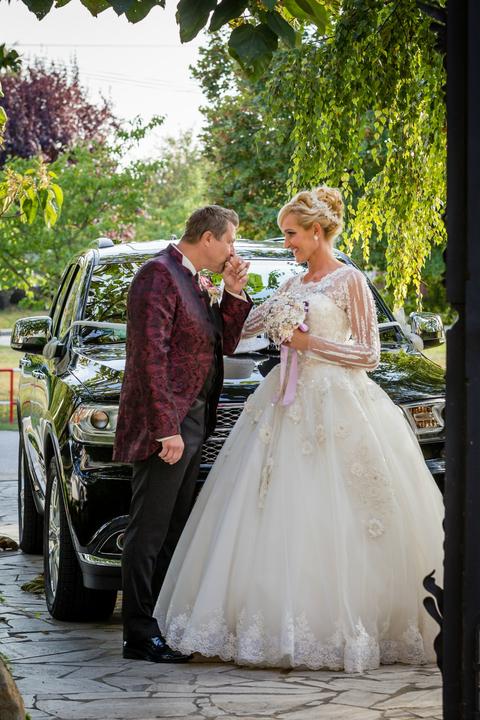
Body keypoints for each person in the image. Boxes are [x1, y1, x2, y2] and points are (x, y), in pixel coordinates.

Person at [153, 186, 444, 672]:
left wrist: (309, 344)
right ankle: (272, 619)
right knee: (274, 507)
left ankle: (354, 623)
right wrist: (234, 291)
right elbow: (243, 329)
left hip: (340, 405)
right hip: (284, 405)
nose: (286, 242)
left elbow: (369, 353)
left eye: (290, 234)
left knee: (345, 511)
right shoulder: (290, 285)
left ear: (316, 231)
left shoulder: (351, 280)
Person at [113, 205, 252, 663]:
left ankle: (162, 624)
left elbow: (222, 343)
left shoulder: (194, 279)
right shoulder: (158, 274)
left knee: (174, 529)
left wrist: (233, 293)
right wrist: (165, 428)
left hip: (194, 421)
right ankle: (138, 633)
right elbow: (148, 357)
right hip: (168, 425)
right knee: (148, 532)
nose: (232, 249)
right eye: (230, 240)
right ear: (208, 238)